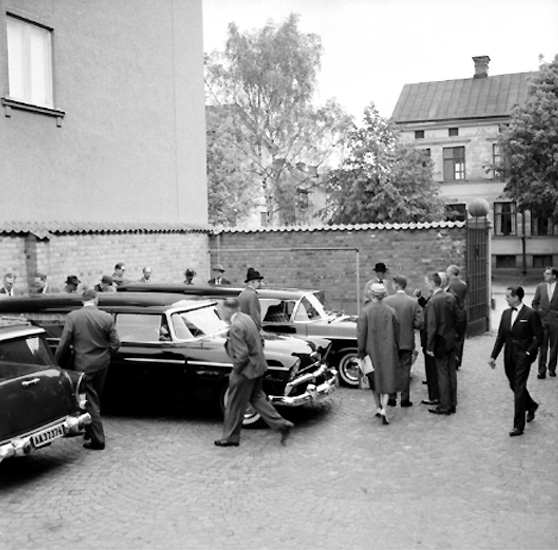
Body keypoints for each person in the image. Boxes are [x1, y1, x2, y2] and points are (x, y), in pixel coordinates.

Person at [214, 298, 294, 447]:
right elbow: (259, 341)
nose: (219, 313)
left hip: (245, 371)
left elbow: (242, 355)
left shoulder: (236, 326)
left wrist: (236, 371)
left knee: (234, 404)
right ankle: (281, 424)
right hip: (258, 366)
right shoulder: (247, 318)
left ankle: (230, 437)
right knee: (257, 398)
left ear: (228, 310)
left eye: (220, 310)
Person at [55, 289, 120, 450]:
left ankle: (98, 439)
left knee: (89, 400)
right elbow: (115, 343)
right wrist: (108, 354)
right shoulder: (106, 317)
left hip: (83, 363)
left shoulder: (73, 317)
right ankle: (90, 429)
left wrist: (57, 362)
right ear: (96, 300)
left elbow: (64, 342)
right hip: (102, 363)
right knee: (95, 396)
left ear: (82, 300)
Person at [489, 286, 543, 436]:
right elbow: (501, 336)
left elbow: (539, 336)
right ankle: (531, 405)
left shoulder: (530, 314)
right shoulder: (506, 314)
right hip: (509, 355)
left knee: (519, 388)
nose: (505, 298)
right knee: (514, 384)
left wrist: (528, 352)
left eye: (508, 296)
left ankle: (518, 426)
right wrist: (493, 356)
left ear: (516, 297)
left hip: (523, 356)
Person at [357, 282, 401, 425]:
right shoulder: (391, 311)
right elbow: (397, 332)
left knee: (373, 378)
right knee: (387, 378)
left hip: (371, 350)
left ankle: (378, 406)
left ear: (371, 294)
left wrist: (361, 351)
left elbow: (361, 334)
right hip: (389, 349)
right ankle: (384, 408)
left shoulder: (365, 312)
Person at [385, 275, 422, 407]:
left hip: (391, 341)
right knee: (405, 370)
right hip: (407, 341)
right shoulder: (413, 302)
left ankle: (392, 397)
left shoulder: (387, 301)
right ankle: (405, 398)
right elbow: (419, 323)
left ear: (396, 285)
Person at [424, 271, 457, 416]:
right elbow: (457, 317)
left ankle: (444, 404)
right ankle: (452, 402)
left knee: (442, 373)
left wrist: (429, 345)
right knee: (451, 373)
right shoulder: (450, 297)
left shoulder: (433, 301)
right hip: (450, 338)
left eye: (427, 283)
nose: (426, 285)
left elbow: (431, 326)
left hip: (439, 340)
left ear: (432, 283)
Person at [532, 266, 558, 379]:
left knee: (554, 346)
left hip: (556, 321)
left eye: (548, 274)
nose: (545, 275)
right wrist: (539, 312)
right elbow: (534, 303)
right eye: (545, 273)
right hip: (543, 320)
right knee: (542, 346)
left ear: (554, 276)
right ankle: (541, 371)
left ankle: (552, 369)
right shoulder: (540, 287)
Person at [446, 264, 468, 369]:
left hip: (451, 313)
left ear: (450, 273)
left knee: (451, 336)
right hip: (462, 312)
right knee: (460, 338)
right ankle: (458, 360)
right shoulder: (463, 285)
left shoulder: (448, 285)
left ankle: (451, 359)